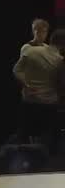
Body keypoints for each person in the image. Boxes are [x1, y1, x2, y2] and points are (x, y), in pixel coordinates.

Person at [12, 18, 62, 153]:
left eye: (43, 31)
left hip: (47, 98)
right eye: (37, 31)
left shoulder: (49, 50)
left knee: (48, 130)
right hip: (32, 97)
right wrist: (26, 84)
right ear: (33, 31)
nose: (40, 34)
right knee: (27, 129)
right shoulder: (27, 48)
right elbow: (17, 70)